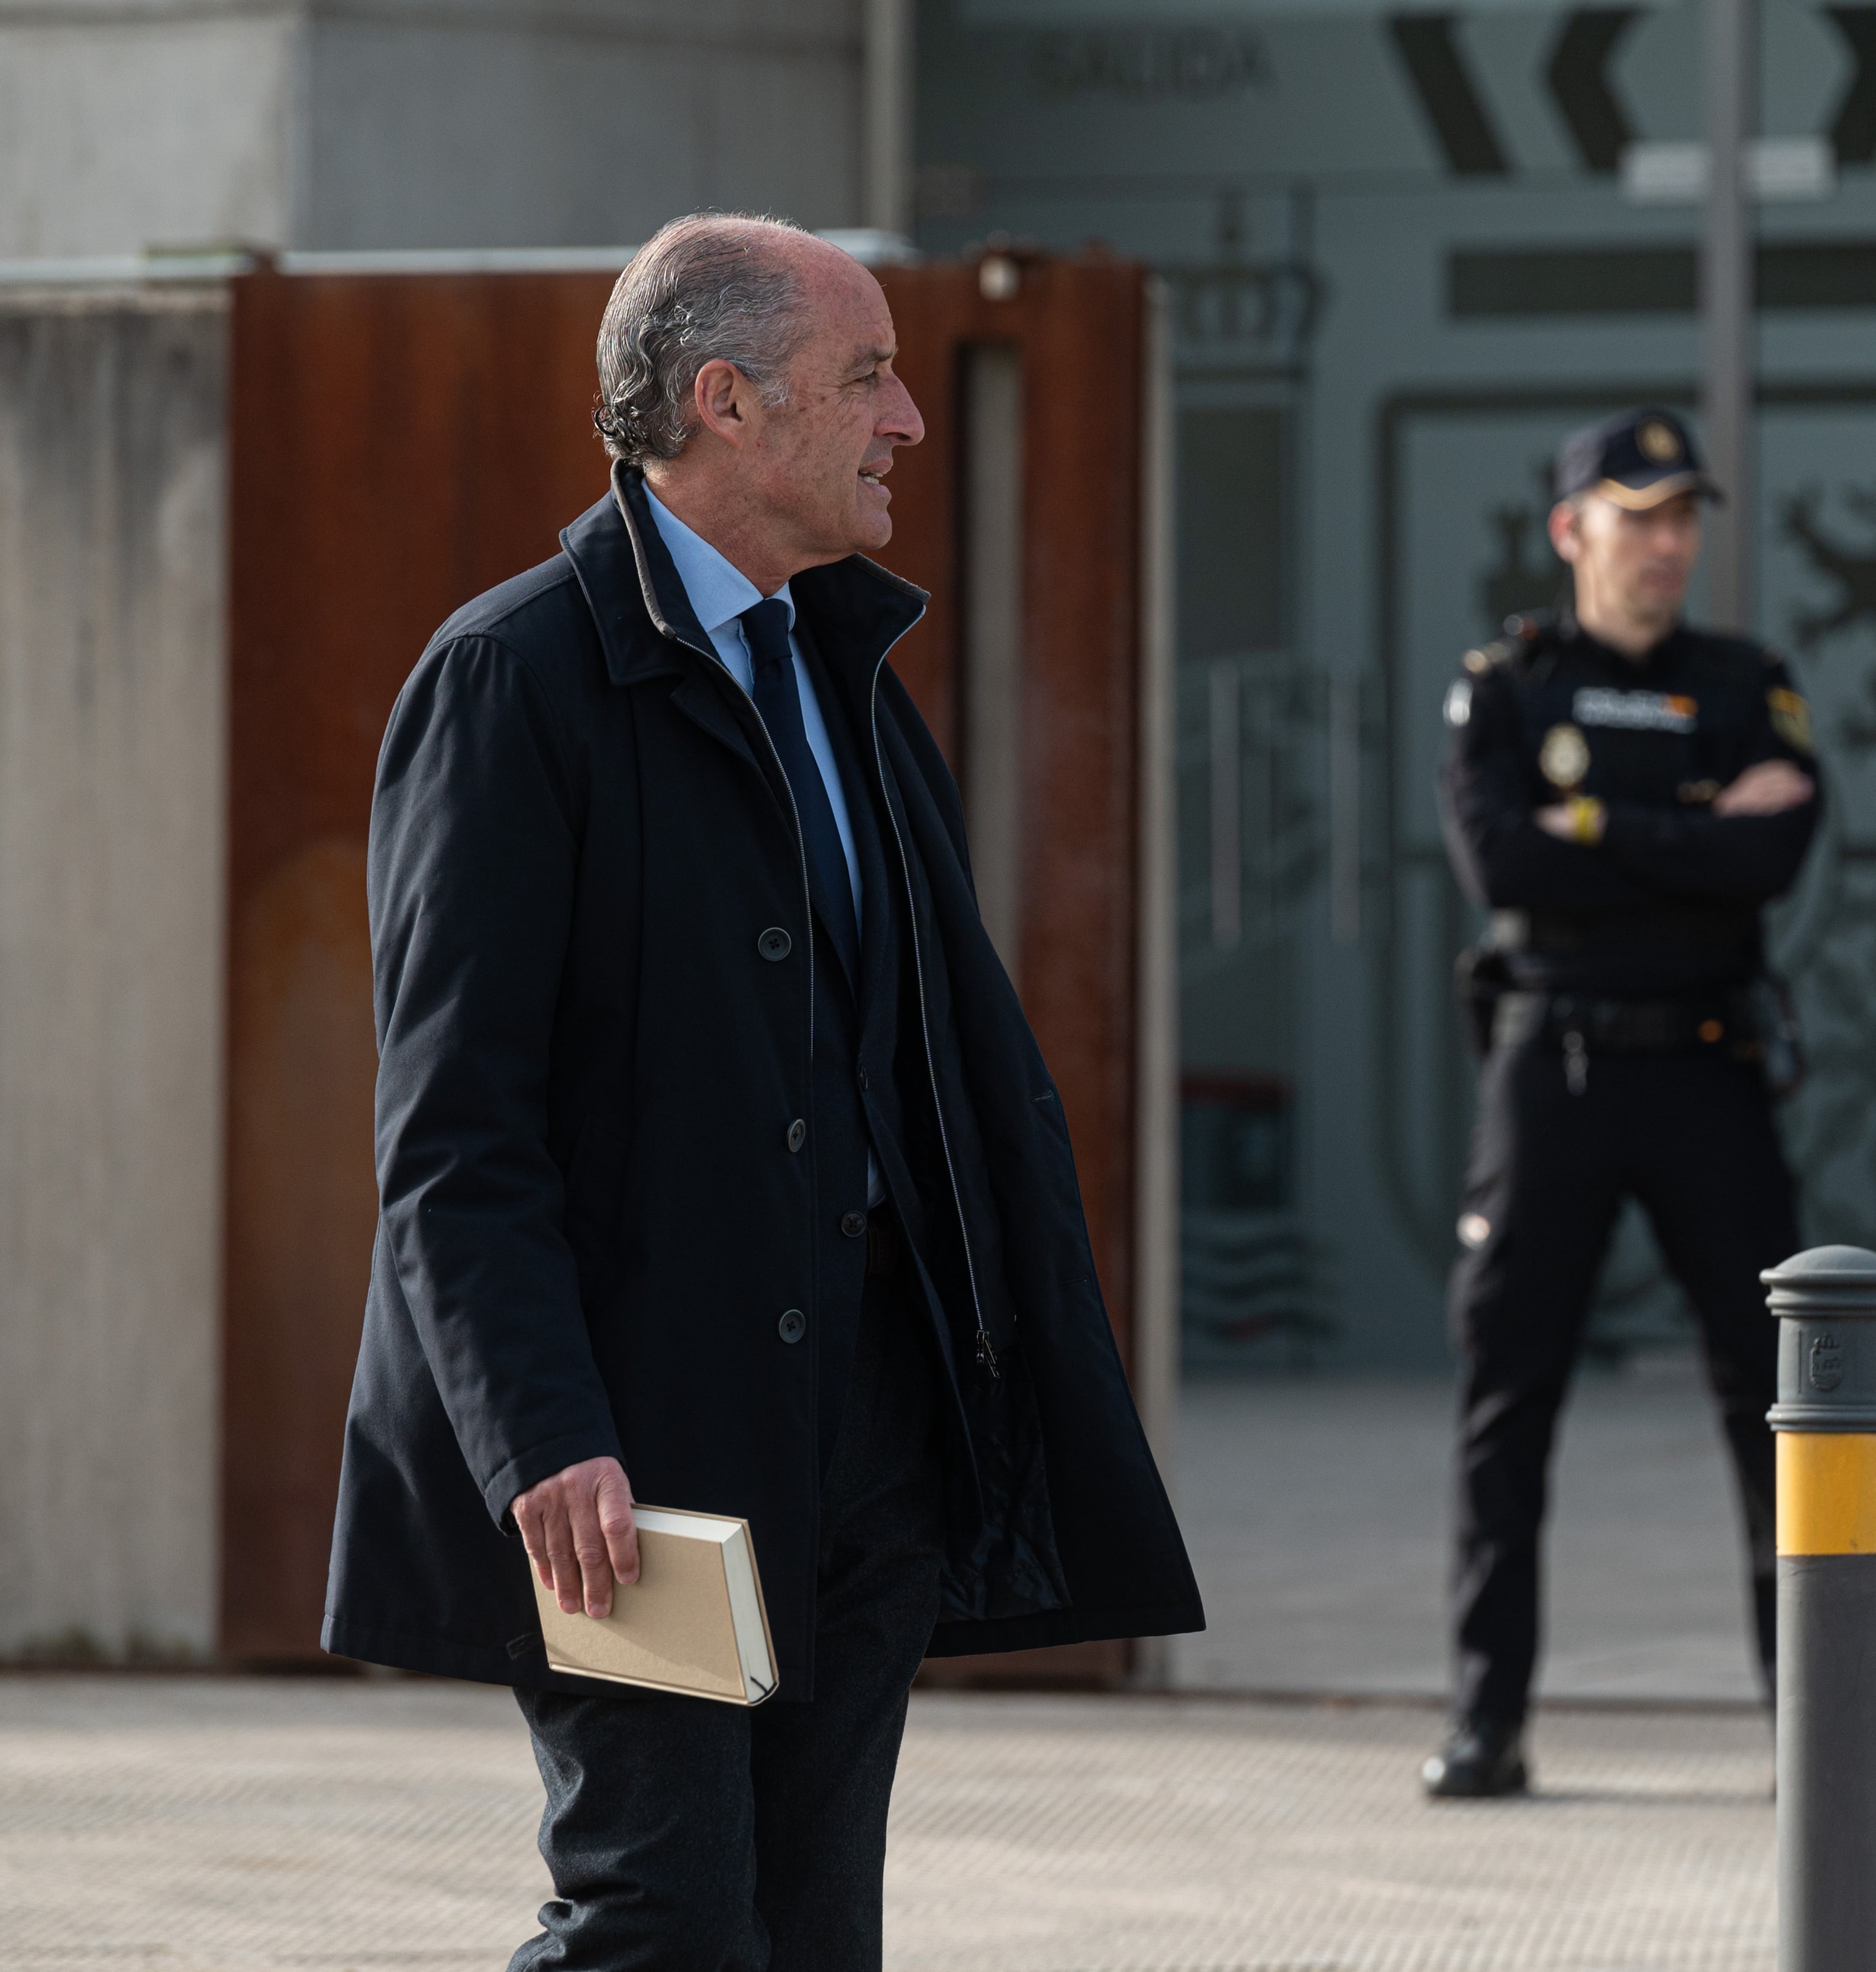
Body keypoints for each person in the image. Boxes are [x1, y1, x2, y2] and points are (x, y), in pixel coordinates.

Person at [321, 214, 1202, 1965]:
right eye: (866, 376)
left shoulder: (845, 677)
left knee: (813, 1930)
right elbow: (454, 1128)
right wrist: (545, 1430)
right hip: (633, 1460)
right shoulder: (512, 681)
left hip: (864, 1443)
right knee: (663, 1920)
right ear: (724, 400)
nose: (908, 422)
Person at [1424, 408, 1823, 1798]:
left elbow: (1775, 855)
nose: (1663, 542)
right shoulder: (1510, 685)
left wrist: (1593, 824)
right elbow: (1505, 866)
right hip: (1556, 1069)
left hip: (1709, 1064)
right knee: (1505, 1397)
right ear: (1569, 527)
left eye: (1680, 516)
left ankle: (1810, 1721)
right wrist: (1692, 831)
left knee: (1782, 1401)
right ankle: (1488, 1716)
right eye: (1635, 512)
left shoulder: (1744, 680)